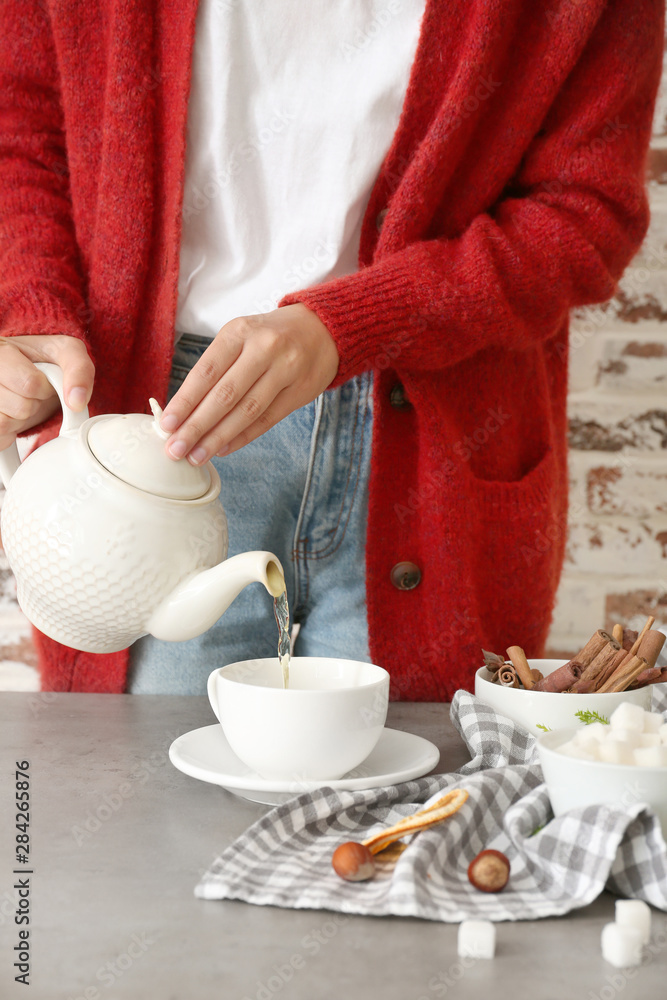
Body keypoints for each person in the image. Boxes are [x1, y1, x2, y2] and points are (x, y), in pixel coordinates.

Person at [0, 0, 663, 699]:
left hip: (430, 434)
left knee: (409, 787)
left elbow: (585, 213)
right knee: (149, 784)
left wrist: (352, 324)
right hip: (159, 423)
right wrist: (30, 299)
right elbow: (19, 130)